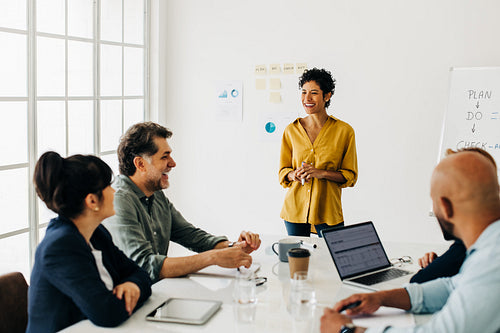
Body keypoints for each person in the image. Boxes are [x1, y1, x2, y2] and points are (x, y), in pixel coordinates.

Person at [320, 150, 500, 333]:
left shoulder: (492, 257)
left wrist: (348, 330)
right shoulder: (490, 244)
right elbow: (453, 286)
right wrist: (382, 298)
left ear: (445, 207)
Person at [103, 122, 261, 282]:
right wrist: (213, 257)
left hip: (156, 293)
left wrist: (234, 247)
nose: (173, 163)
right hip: (129, 301)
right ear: (140, 164)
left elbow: (191, 236)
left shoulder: (155, 195)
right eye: (164, 157)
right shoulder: (119, 200)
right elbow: (145, 266)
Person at [27, 152, 152, 333]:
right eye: (108, 186)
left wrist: (132, 285)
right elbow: (108, 313)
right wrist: (134, 291)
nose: (114, 191)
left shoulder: (96, 233)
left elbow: (140, 273)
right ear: (92, 200)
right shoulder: (60, 247)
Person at [279, 68, 358, 237]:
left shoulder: (344, 131)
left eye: (314, 93)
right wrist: (295, 175)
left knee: (332, 259)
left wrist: (321, 173)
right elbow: (283, 172)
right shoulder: (291, 131)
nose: (307, 98)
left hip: (328, 210)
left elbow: (350, 176)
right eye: (304, 92)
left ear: (327, 96)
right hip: (295, 210)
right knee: (297, 261)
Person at [410, 147, 496, 284]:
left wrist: (437, 267)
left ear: (445, 206)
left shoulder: (466, 247)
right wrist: (438, 262)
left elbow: (417, 284)